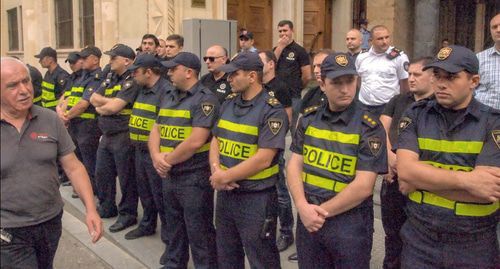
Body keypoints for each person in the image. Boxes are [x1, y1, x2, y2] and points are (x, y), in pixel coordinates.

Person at [396, 45, 500, 268]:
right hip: (419, 238)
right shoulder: (416, 114)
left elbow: (487, 191)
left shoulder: (494, 123)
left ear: (474, 81)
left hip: (474, 242)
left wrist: (421, 180)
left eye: (451, 77)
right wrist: (468, 181)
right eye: (437, 75)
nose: (441, 83)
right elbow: (405, 173)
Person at [287, 52, 387, 268]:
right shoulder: (309, 118)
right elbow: (294, 164)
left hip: (348, 221)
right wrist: (302, 206)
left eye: (350, 81)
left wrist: (319, 213)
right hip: (309, 214)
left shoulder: (369, 126)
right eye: (337, 82)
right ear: (322, 84)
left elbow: (364, 186)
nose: (345, 89)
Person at [0, 57, 102, 268]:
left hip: (50, 222)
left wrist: (91, 209)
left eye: (26, 81)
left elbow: (73, 167)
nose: (24, 90)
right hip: (8, 230)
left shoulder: (50, 119)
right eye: (12, 85)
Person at [210, 52, 288, 268]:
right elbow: (216, 139)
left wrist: (223, 176)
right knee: (226, 254)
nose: (229, 79)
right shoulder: (228, 103)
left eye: (234, 74)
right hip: (227, 194)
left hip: (257, 198)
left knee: (261, 257)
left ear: (252, 76)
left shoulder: (272, 110)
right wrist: (217, 171)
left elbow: (264, 159)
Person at [149, 52, 218, 269]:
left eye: (173, 69)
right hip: (169, 175)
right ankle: (174, 264)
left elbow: (196, 141)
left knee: (199, 232)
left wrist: (166, 160)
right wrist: (155, 157)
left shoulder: (205, 99)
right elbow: (156, 129)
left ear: (188, 72)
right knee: (173, 227)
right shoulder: (168, 95)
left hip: (193, 177)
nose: (168, 73)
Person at [379, 56, 434, 269]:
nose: (411, 79)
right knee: (392, 233)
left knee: (418, 236)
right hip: (393, 174)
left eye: (417, 74)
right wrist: (389, 158)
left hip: (420, 180)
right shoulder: (399, 100)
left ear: (432, 77)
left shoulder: (438, 105)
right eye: (409, 74)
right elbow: (380, 129)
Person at [89, 44, 140, 236]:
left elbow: (114, 107)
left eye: (113, 58)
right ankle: (107, 206)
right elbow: (94, 98)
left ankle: (128, 214)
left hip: (123, 136)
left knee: (126, 178)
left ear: (126, 61)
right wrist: (108, 105)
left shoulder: (131, 80)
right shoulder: (110, 77)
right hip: (107, 135)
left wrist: (107, 106)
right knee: (102, 173)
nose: (109, 61)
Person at [287, 49, 332, 262]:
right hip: (310, 164)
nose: (316, 70)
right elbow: (301, 120)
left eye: (321, 66)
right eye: (314, 66)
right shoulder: (313, 94)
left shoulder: (349, 95)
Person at [127, 53, 171, 266]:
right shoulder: (141, 88)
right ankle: (147, 224)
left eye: (136, 71)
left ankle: (170, 242)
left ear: (149, 72)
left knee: (161, 198)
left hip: (155, 153)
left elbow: (162, 124)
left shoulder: (165, 91)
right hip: (139, 151)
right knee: (145, 193)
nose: (133, 74)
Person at [258, 50, 294, 252]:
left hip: (274, 146)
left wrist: (275, 141)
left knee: (281, 192)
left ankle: (286, 232)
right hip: (259, 146)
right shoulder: (258, 86)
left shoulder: (280, 87)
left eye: (260, 61)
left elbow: (287, 117)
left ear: (270, 64)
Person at [59, 46, 103, 195]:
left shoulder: (97, 77)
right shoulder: (81, 76)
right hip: (75, 125)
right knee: (77, 158)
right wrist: (63, 113)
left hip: (88, 127)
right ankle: (80, 187)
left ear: (95, 59)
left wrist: (66, 116)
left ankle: (91, 190)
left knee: (89, 161)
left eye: (85, 58)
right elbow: (70, 97)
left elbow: (83, 104)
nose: (81, 61)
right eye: (81, 58)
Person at [356, 25, 409, 117]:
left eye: (387, 37)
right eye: (380, 39)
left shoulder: (399, 57)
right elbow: (359, 79)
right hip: (363, 106)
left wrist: (400, 105)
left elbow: (405, 84)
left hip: (387, 107)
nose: (385, 42)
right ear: (371, 41)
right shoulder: (362, 56)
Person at [273, 20, 311, 131]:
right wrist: (280, 47)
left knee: (292, 127)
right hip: (277, 95)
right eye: (280, 31)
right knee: (276, 126)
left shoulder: (300, 50)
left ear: (292, 31)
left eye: (285, 30)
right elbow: (271, 65)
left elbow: (307, 75)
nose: (283, 34)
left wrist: (299, 86)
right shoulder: (277, 49)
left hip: (293, 96)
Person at [475, 13, 500, 110]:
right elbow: (469, 88)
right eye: (494, 27)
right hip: (485, 119)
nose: (498, 30)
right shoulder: (479, 58)